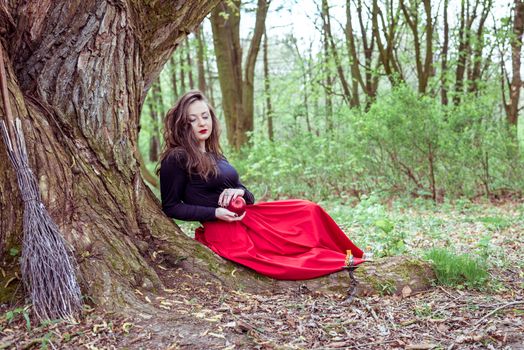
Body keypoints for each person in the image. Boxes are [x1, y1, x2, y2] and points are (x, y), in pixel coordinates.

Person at [158, 90, 365, 280]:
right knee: (280, 259)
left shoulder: (215, 155)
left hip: (249, 215)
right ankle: (339, 261)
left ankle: (349, 255)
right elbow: (171, 206)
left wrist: (238, 190)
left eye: (205, 116)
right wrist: (215, 213)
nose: (201, 123)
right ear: (183, 125)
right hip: (224, 227)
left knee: (308, 210)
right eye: (192, 120)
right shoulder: (177, 158)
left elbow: (248, 195)